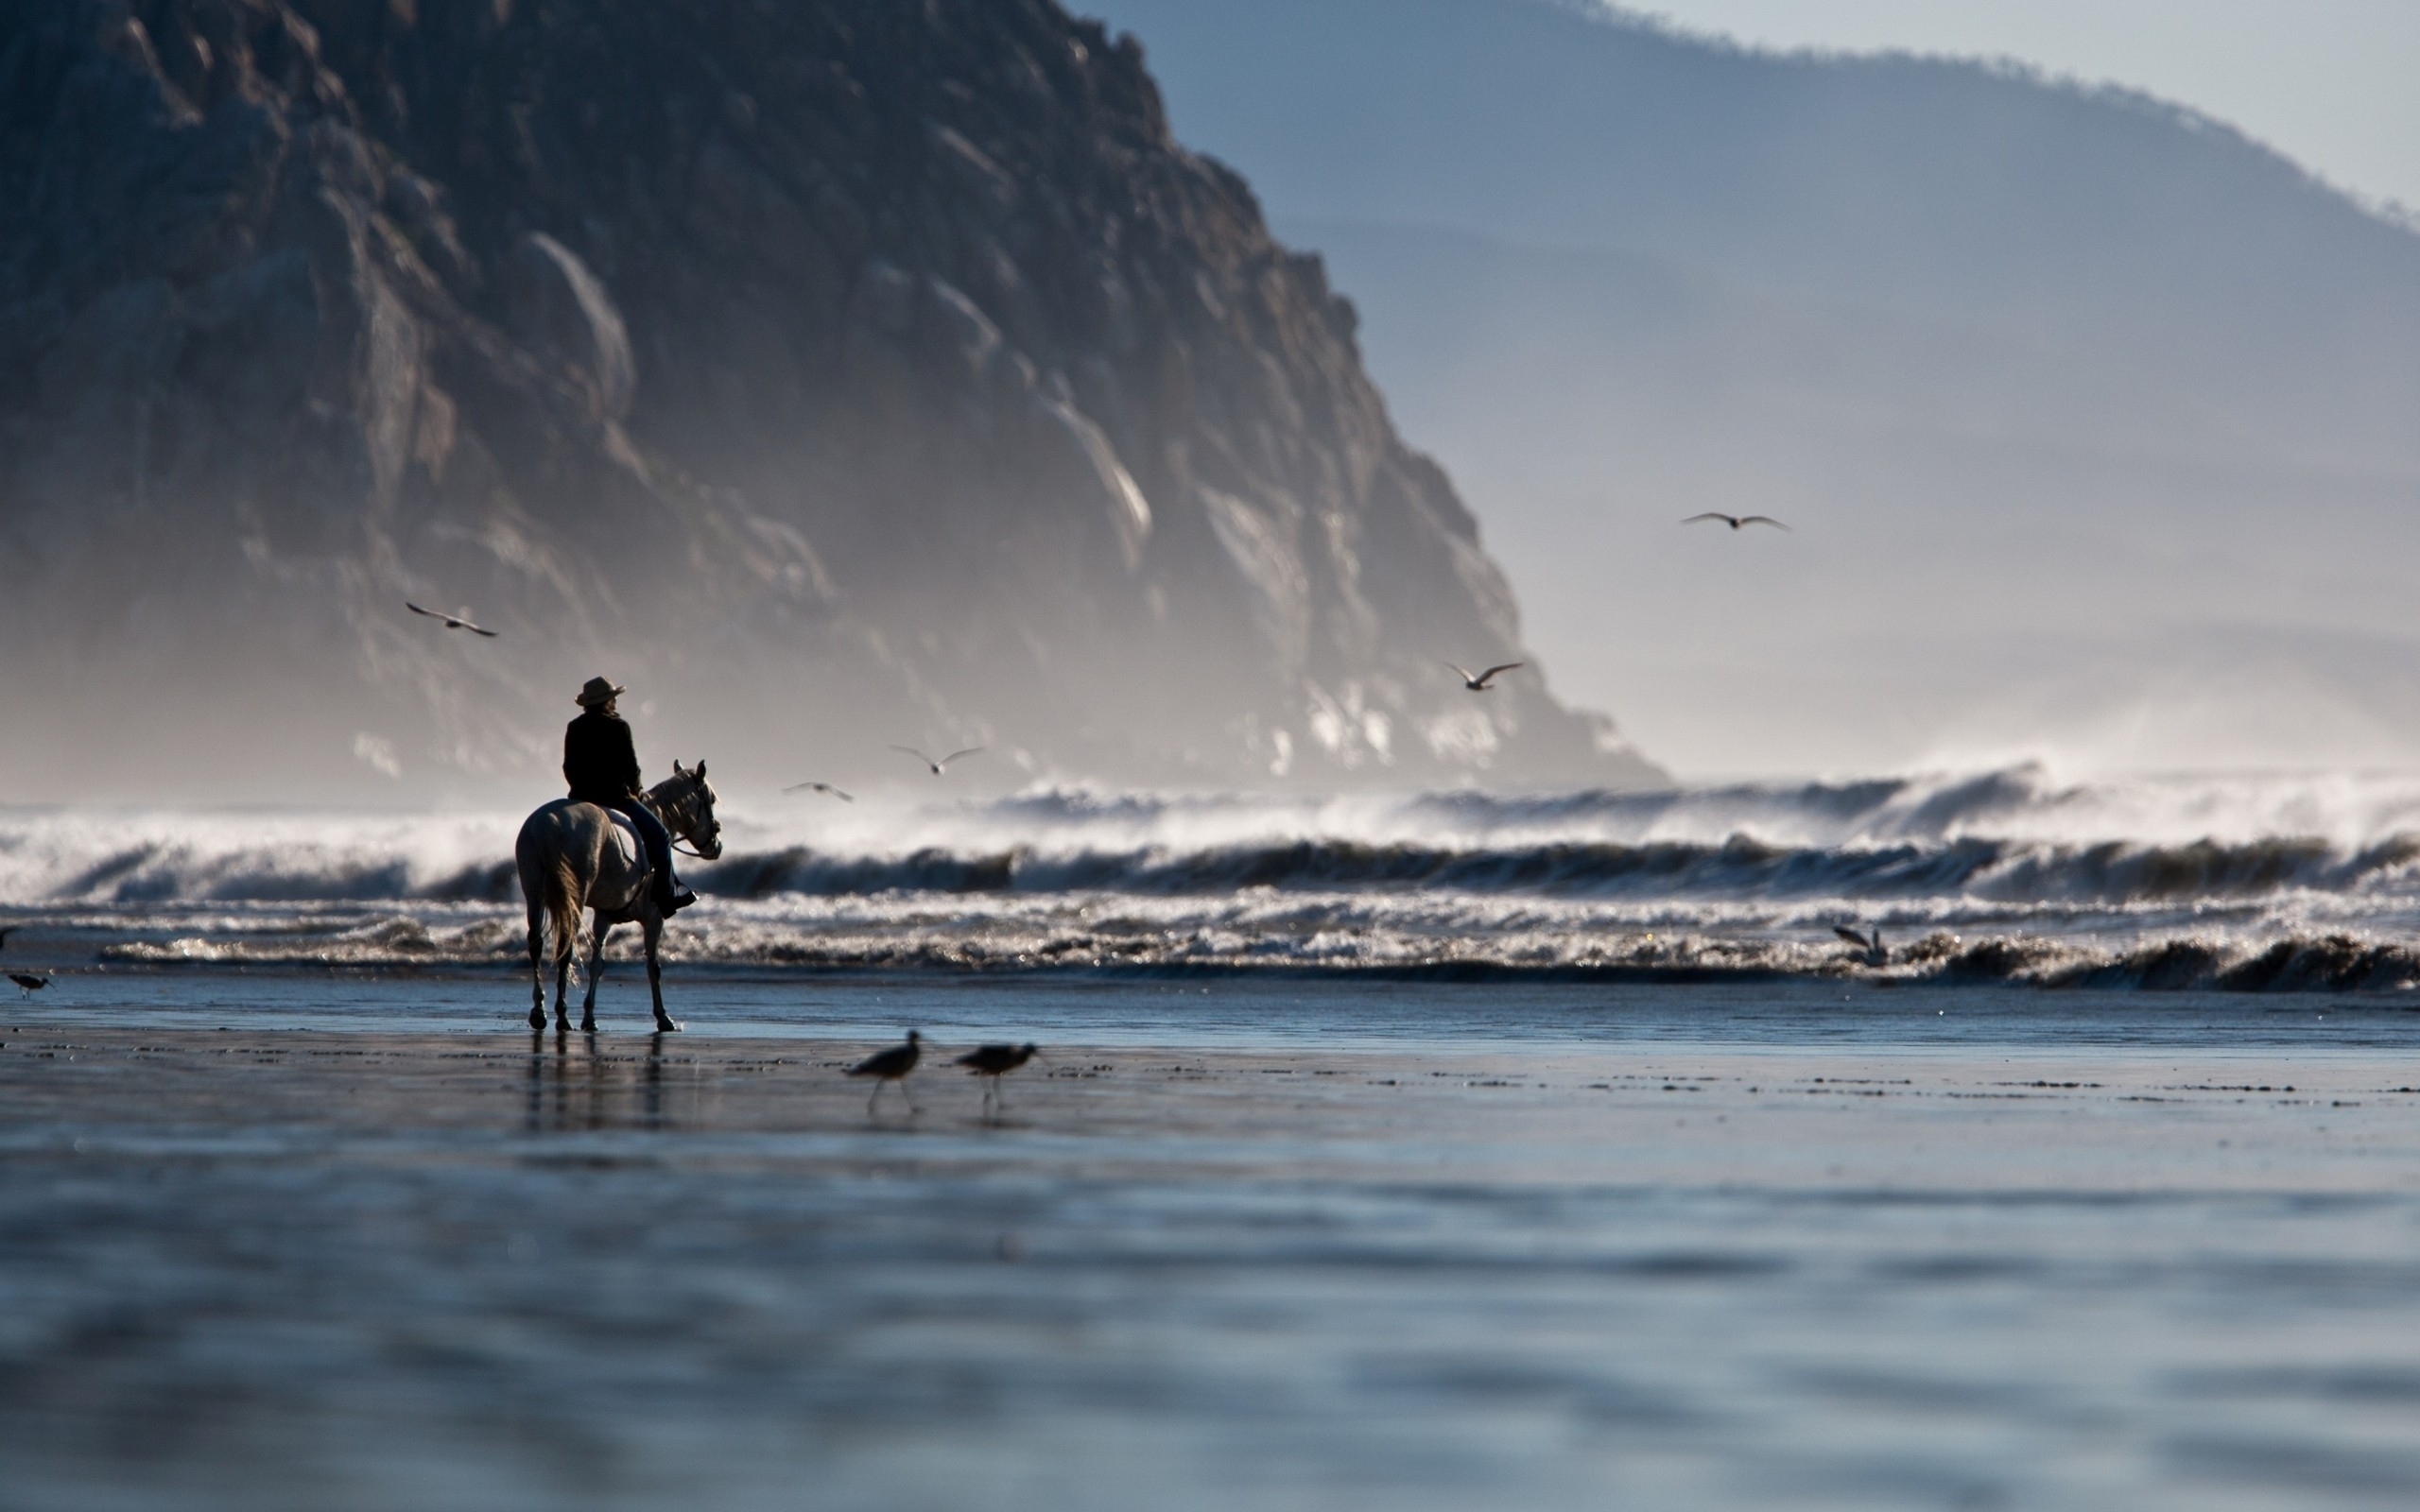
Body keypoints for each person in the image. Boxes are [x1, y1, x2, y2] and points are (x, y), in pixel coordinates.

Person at [563, 677, 696, 915]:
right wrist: (636, 792)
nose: (615, 701)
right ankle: (666, 897)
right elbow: (631, 767)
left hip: (580, 799)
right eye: (613, 698)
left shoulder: (575, 727)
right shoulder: (618, 727)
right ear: (607, 701)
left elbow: (568, 767)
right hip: (616, 798)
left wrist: (580, 791)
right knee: (662, 836)